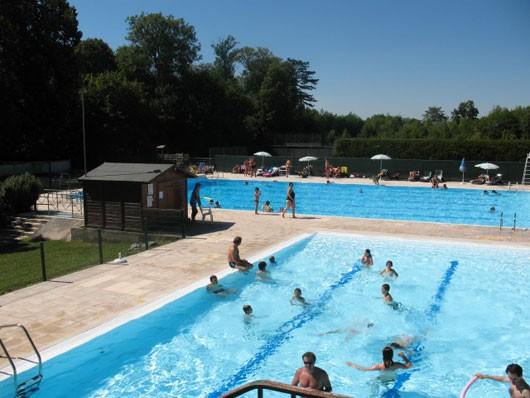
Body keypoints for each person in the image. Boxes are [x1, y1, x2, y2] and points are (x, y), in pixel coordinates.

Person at [346, 346, 412, 372]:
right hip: (391, 381)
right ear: (392, 355)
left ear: (383, 356)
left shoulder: (379, 366)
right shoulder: (397, 365)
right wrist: (403, 356)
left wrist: (352, 365)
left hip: (381, 381)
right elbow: (409, 366)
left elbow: (365, 369)